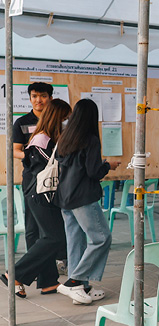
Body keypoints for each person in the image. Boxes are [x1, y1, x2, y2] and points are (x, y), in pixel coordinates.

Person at [1, 99, 70, 297]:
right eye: (64, 117)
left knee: (51, 237)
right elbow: (52, 164)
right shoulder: (41, 139)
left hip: (45, 193)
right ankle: (14, 274)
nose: (66, 121)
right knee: (53, 238)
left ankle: (48, 282)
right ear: (56, 117)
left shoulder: (49, 137)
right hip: (40, 193)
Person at [54, 99, 118, 305]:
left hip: (65, 197)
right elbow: (93, 172)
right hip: (82, 197)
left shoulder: (66, 138)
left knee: (76, 241)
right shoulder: (90, 140)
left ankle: (81, 288)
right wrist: (107, 165)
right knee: (101, 238)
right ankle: (73, 281)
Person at [10, 82, 54, 296]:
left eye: (42, 96)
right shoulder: (22, 122)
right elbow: (14, 150)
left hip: (55, 181)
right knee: (33, 230)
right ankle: (22, 277)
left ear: (50, 97)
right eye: (34, 96)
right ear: (30, 98)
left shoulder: (56, 122)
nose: (38, 100)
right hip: (32, 180)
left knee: (50, 231)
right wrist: (31, 153)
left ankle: (48, 281)